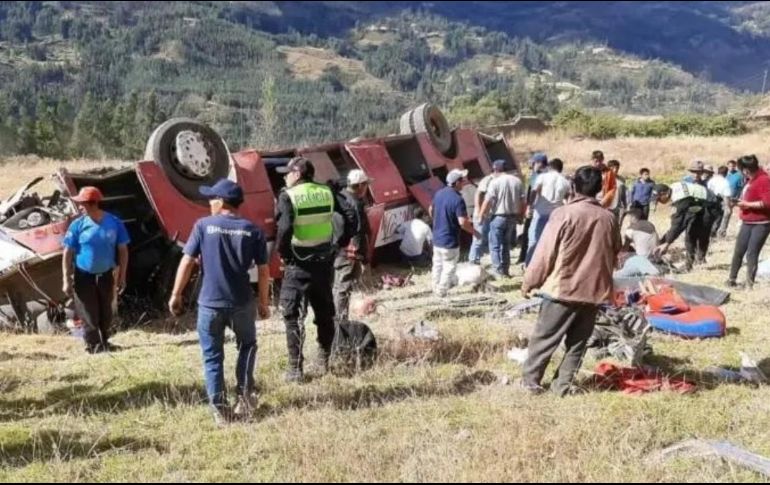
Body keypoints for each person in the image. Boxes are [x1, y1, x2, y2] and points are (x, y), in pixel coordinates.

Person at [169, 179, 271, 425]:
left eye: (211, 199)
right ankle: (244, 397)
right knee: (247, 346)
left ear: (221, 201)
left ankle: (220, 411)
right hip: (242, 301)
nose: (209, 203)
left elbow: (187, 261)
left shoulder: (203, 226)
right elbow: (264, 270)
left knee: (213, 355)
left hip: (210, 303)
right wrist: (264, 302)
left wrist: (176, 294)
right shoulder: (253, 230)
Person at [521, 166, 620, 396]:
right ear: (598, 190)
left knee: (544, 339)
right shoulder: (609, 218)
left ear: (574, 187)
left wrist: (530, 282)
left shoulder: (564, 214)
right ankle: (562, 386)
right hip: (593, 292)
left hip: (562, 289)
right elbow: (616, 252)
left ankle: (531, 383)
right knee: (577, 344)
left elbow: (545, 253)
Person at [274, 157, 357, 383]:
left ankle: (295, 369)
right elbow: (351, 215)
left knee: (292, 315)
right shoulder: (327, 192)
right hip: (323, 263)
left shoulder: (288, 196)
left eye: (287, 173)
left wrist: (284, 254)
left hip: (298, 264)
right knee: (324, 313)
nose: (285, 176)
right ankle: (324, 360)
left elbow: (284, 229)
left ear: (297, 174)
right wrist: (339, 244)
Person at [62, 186, 129, 354]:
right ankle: (92, 345)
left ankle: (105, 342)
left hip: (106, 274)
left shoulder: (114, 223)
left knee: (106, 311)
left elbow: (123, 250)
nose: (79, 207)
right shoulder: (77, 225)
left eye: (81, 203)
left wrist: (122, 276)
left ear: (91, 204)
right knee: (88, 312)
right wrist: (66, 279)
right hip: (83, 275)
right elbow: (67, 253)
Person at [653, 180, 722, 271]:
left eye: (659, 199)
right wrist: (663, 242)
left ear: (664, 194)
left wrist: (667, 243)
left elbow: (678, 224)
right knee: (691, 232)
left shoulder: (681, 198)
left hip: (711, 205)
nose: (659, 202)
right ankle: (696, 260)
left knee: (694, 234)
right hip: (698, 204)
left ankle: (696, 261)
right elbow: (678, 222)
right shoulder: (673, 187)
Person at [332, 169, 372, 324]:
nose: (367, 188)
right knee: (343, 287)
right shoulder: (355, 203)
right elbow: (359, 231)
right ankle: (340, 321)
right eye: (366, 185)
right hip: (349, 253)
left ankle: (339, 318)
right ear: (361, 185)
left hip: (339, 250)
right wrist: (362, 255)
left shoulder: (341, 197)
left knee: (340, 286)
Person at [727, 155, 770, 289]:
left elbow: (767, 202)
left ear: (746, 170)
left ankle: (749, 283)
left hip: (761, 223)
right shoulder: (750, 180)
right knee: (739, 251)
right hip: (747, 220)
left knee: (752, 252)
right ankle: (731, 279)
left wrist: (747, 204)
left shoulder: (764, 180)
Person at [430, 169, 474, 297]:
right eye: (462, 181)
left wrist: (438, 220)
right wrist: (474, 232)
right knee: (449, 267)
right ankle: (441, 291)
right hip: (449, 241)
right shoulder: (458, 199)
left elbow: (431, 208)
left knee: (437, 265)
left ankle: (434, 286)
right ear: (456, 183)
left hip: (437, 238)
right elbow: (462, 222)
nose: (463, 183)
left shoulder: (438, 193)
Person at [479, 160, 526, 278]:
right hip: (512, 218)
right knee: (506, 245)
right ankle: (506, 270)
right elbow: (523, 202)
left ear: (495, 170)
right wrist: (521, 216)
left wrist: (481, 215)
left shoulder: (495, 182)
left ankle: (497, 271)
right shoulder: (517, 181)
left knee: (494, 245)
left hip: (498, 217)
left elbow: (488, 200)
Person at [525, 158, 570, 266]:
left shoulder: (543, 177)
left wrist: (529, 207)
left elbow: (534, 192)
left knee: (534, 242)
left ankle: (529, 266)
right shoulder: (565, 181)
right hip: (556, 215)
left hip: (541, 213)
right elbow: (568, 198)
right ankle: (547, 266)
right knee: (552, 243)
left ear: (550, 167)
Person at [518, 153, 548, 264]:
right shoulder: (536, 175)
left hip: (537, 210)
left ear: (539, 163)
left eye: (533, 163)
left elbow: (532, 193)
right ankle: (524, 257)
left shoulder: (539, 176)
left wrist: (529, 207)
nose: (532, 165)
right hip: (538, 209)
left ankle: (528, 259)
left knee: (532, 234)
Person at [614, 209, 660, 278]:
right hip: (656, 258)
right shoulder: (650, 224)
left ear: (633, 217)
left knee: (619, 273)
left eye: (629, 217)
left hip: (642, 260)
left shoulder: (631, 229)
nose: (629, 220)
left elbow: (625, 248)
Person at [468, 169, 498, 264]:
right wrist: (480, 211)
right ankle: (473, 259)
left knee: (486, 237)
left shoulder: (495, 180)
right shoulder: (487, 180)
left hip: (488, 213)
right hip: (482, 214)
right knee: (478, 237)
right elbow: (478, 194)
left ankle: (480, 256)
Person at [707, 166, 733, 238]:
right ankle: (720, 233)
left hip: (710, 199)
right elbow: (726, 196)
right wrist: (728, 207)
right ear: (726, 173)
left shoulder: (712, 180)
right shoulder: (725, 182)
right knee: (722, 216)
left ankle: (710, 232)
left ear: (718, 172)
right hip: (720, 200)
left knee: (712, 217)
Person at [724, 160, 745, 237]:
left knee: (736, 213)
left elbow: (742, 186)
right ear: (727, 166)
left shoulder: (739, 175)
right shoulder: (725, 174)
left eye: (733, 166)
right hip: (726, 197)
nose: (731, 167)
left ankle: (740, 231)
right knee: (725, 214)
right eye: (730, 166)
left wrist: (739, 196)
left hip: (735, 197)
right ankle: (722, 230)